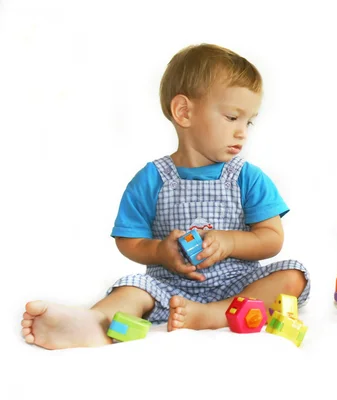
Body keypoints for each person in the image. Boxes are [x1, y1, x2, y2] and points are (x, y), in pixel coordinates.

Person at [20, 43, 310, 350]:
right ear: (184, 112)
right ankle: (94, 324)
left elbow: (271, 238)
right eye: (231, 117)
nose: (242, 132)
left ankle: (211, 315)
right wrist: (160, 252)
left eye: (248, 121)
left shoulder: (248, 177)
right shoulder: (151, 179)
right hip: (168, 288)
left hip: (237, 289)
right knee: (130, 290)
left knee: (293, 276)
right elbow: (128, 241)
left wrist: (230, 242)